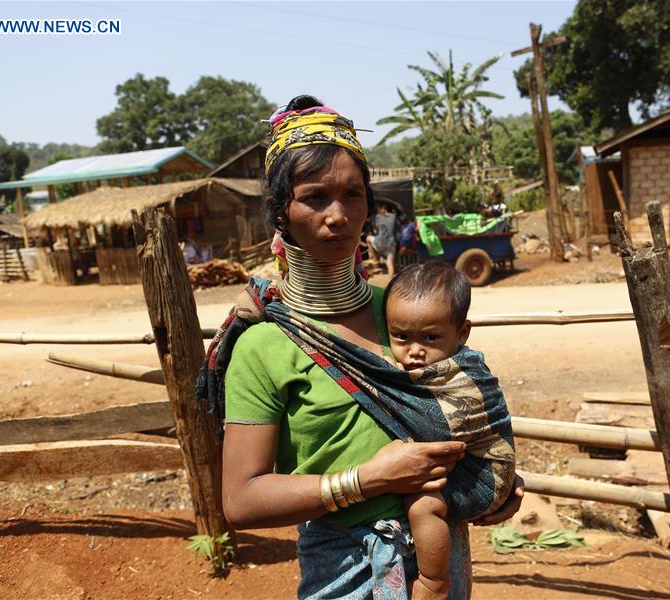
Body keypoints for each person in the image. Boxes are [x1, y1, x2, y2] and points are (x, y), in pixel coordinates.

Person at [214, 95, 524, 600]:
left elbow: (465, 407)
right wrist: (368, 480)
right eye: (315, 197)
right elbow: (242, 500)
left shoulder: (406, 313)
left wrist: (492, 481)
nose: (338, 215)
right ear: (280, 212)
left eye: (353, 196)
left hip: (442, 553)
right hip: (347, 567)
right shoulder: (262, 347)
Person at [383, 262, 516, 599]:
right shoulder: (429, 365)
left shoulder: (464, 373)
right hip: (478, 465)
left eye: (430, 337)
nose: (414, 350)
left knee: (423, 502)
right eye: (401, 337)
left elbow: (442, 422)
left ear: (462, 333)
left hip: (487, 476)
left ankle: (434, 581)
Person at [367, 202, 398, 277]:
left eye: (378, 209)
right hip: (391, 244)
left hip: (380, 242)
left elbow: (375, 229)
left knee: (368, 238)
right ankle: (390, 281)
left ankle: (375, 259)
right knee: (390, 263)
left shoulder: (378, 217)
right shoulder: (394, 216)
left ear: (383, 209)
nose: (377, 211)